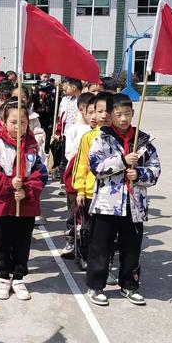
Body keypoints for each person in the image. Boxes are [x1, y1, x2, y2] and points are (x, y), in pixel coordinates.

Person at [86, 93, 161, 306]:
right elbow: (96, 167)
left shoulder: (144, 141)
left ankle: (129, 285)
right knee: (101, 247)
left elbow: (155, 170)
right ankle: (96, 286)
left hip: (134, 205)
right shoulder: (102, 138)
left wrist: (139, 175)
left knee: (132, 248)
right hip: (106, 205)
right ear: (110, 116)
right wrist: (121, 161)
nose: (123, 119)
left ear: (133, 114)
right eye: (118, 115)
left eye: (127, 114)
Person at [0, 99, 48, 300]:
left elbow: (42, 173)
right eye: (13, 122)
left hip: (25, 205)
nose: (18, 127)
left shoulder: (32, 147)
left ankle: (19, 277)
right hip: (2, 204)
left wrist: (26, 190)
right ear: (3, 121)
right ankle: (3, 277)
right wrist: (10, 184)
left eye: (23, 122)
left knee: (22, 242)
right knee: (2, 242)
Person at [71, 92, 112, 267]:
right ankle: (85, 256)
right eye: (99, 111)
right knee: (88, 229)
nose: (103, 115)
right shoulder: (88, 137)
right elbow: (81, 165)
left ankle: (105, 263)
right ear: (92, 113)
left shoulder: (118, 137)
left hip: (111, 194)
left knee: (108, 232)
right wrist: (80, 189)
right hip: (90, 192)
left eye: (108, 111)